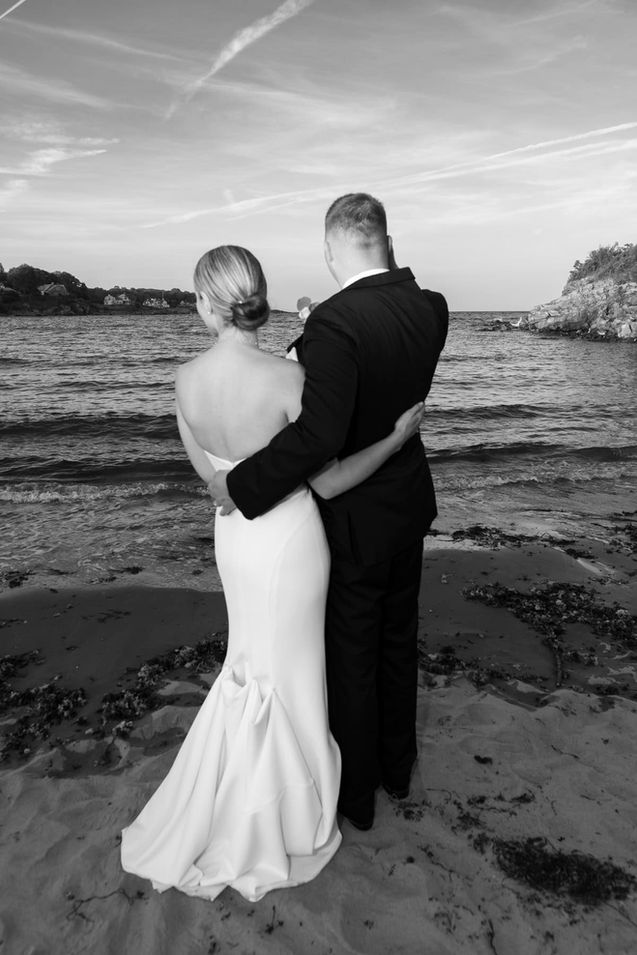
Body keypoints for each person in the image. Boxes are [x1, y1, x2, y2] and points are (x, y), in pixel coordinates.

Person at [120, 244, 425, 902]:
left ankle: (233, 791)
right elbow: (334, 479)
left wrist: (229, 486)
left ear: (206, 304)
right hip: (290, 539)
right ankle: (289, 800)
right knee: (293, 665)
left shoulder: (183, 380)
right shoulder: (290, 380)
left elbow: (215, 483)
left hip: (234, 539)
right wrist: (397, 438)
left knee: (248, 657)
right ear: (257, 296)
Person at [210, 194, 448, 831]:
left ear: (328, 249)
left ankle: (358, 798)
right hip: (407, 506)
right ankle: (399, 771)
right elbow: (380, 361)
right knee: (399, 645)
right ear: (387, 242)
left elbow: (317, 437)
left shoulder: (334, 327)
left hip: (354, 517)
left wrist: (241, 487)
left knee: (352, 658)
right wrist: (309, 338)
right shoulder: (432, 308)